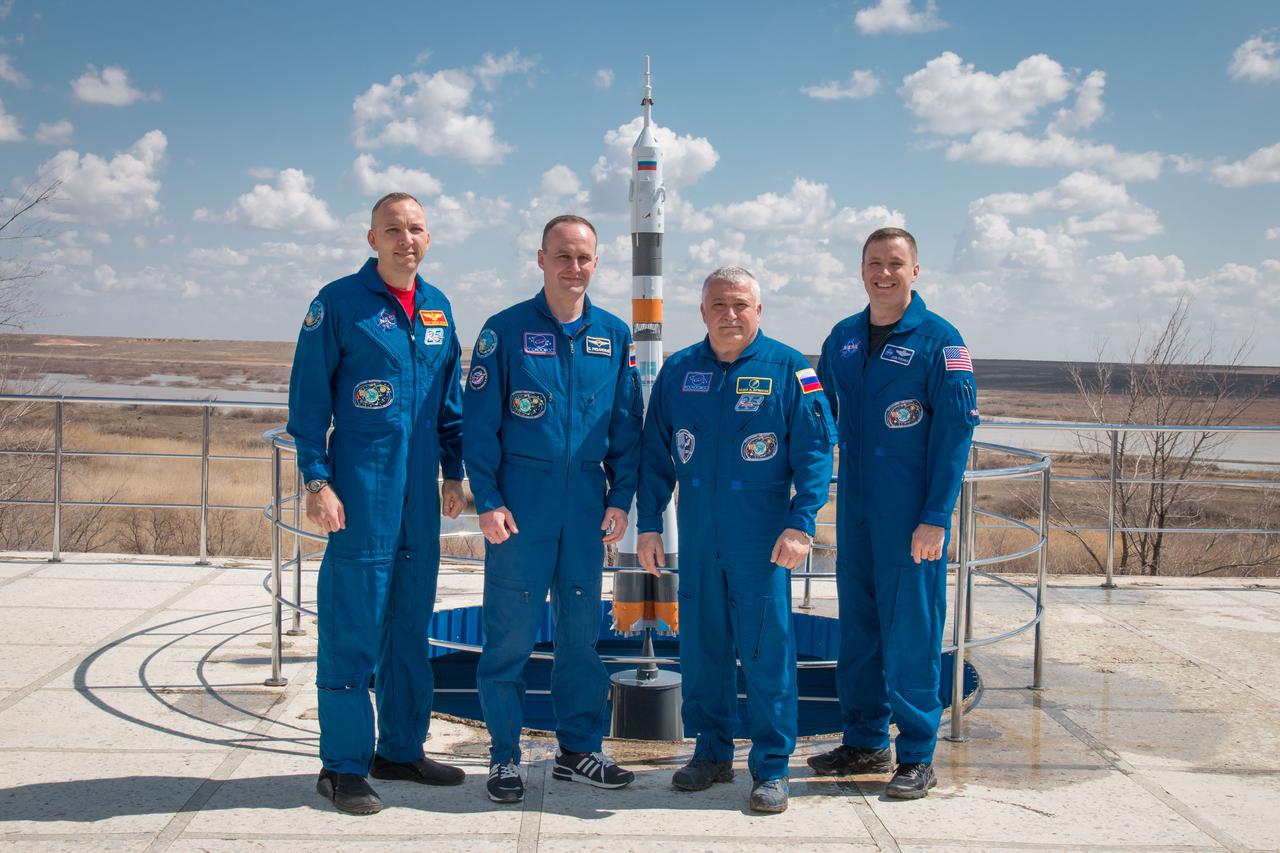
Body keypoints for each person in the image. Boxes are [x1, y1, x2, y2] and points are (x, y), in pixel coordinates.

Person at [287, 192, 467, 815]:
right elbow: (308, 406)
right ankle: (341, 766)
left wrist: (453, 472)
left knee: (410, 630)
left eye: (416, 229)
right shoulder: (337, 304)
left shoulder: (439, 307)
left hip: (421, 493)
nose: (405, 240)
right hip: (361, 488)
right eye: (393, 230)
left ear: (428, 236)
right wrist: (316, 481)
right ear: (372, 239)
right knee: (352, 627)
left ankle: (400, 748)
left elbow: (449, 405)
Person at [635, 266, 835, 814]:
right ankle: (710, 751)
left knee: (767, 652)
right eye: (718, 305)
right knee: (703, 649)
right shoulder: (679, 372)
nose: (730, 314)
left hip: (763, 539)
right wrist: (648, 523)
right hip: (699, 537)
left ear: (759, 310)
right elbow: (654, 457)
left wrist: (802, 523)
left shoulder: (792, 371)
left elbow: (816, 455)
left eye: (741, 304)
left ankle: (771, 768)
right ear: (702, 312)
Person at [463, 214, 644, 804]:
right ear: (541, 259)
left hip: (586, 508)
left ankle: (578, 750)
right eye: (562, 256)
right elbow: (479, 427)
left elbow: (627, 428)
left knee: (579, 639)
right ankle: (504, 757)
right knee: (509, 637)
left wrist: (620, 499)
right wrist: (487, 501)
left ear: (597, 262)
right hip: (521, 510)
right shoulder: (505, 331)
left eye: (584, 258)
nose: (573, 267)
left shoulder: (614, 336)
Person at [810, 227, 979, 799]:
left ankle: (915, 754)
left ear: (916, 271)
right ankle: (863, 739)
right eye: (874, 263)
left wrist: (936, 515)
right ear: (861, 271)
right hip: (856, 508)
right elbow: (818, 415)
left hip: (911, 515)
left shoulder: (940, 341)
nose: (884, 273)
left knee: (912, 631)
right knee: (859, 630)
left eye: (895, 264)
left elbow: (955, 435)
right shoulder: (843, 338)